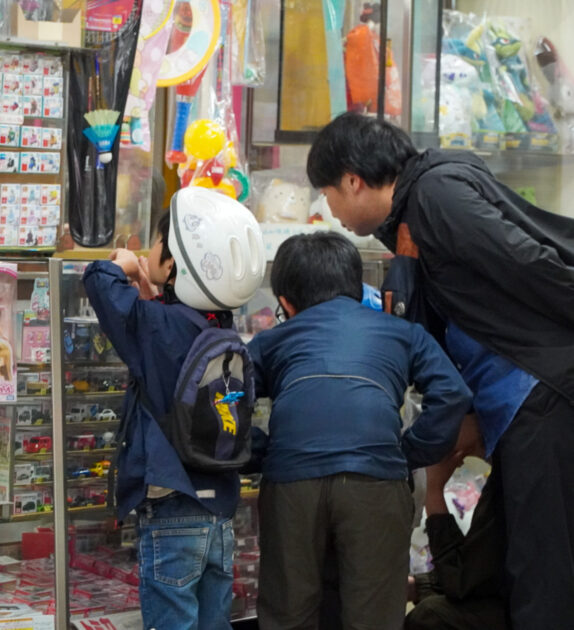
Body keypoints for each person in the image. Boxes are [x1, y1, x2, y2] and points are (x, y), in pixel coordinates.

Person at [306, 112, 574, 627]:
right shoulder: (414, 213)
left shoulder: (434, 195)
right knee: (522, 564)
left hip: (539, 392)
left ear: (353, 180)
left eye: (327, 194)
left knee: (543, 570)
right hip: (518, 402)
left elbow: (525, 262)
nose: (329, 211)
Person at [246, 231, 471, 629]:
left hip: (292, 485)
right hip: (376, 482)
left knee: (288, 616)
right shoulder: (402, 332)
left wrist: (263, 451)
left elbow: (221, 401)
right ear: (356, 285)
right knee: (374, 618)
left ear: (286, 302)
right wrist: (407, 453)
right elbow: (452, 393)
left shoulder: (271, 341)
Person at [83, 187, 265, 630]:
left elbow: (98, 282)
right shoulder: (224, 331)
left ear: (173, 264)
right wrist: (155, 293)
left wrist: (119, 265)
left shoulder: (156, 326)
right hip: (219, 513)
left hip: (172, 511)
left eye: (158, 242)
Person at [406, 414, 509, 630]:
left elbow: (462, 582)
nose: (437, 436)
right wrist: (418, 586)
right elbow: (479, 572)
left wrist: (434, 491)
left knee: (429, 616)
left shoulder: (510, 475)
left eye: (446, 417)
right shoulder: (511, 460)